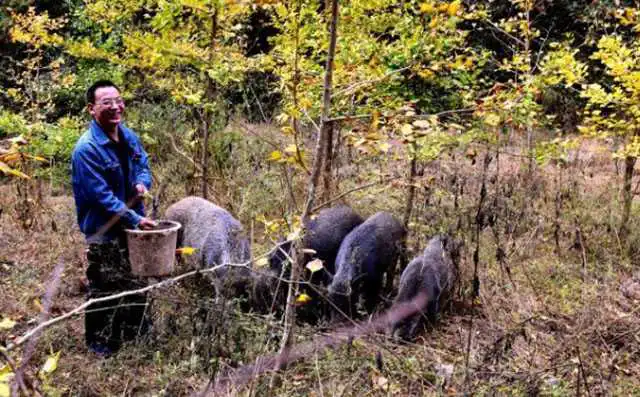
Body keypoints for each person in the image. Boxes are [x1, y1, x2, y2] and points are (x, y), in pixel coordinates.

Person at [71, 80, 157, 356]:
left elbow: (143, 163)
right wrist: (134, 219)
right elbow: (102, 198)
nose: (115, 107)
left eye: (118, 100)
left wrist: (143, 183)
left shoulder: (128, 135)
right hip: (104, 227)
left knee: (136, 276)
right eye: (106, 102)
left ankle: (136, 332)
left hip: (133, 222)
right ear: (91, 109)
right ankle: (99, 344)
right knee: (104, 283)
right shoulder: (86, 150)